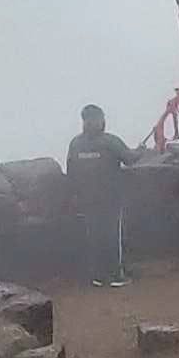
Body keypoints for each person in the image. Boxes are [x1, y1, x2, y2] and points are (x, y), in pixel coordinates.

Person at [64, 102, 132, 288]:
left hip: (87, 199)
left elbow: (70, 172)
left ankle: (98, 276)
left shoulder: (76, 144)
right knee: (112, 236)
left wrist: (74, 195)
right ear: (100, 120)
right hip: (110, 197)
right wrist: (141, 150)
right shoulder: (110, 141)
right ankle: (117, 275)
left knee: (94, 236)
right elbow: (130, 159)